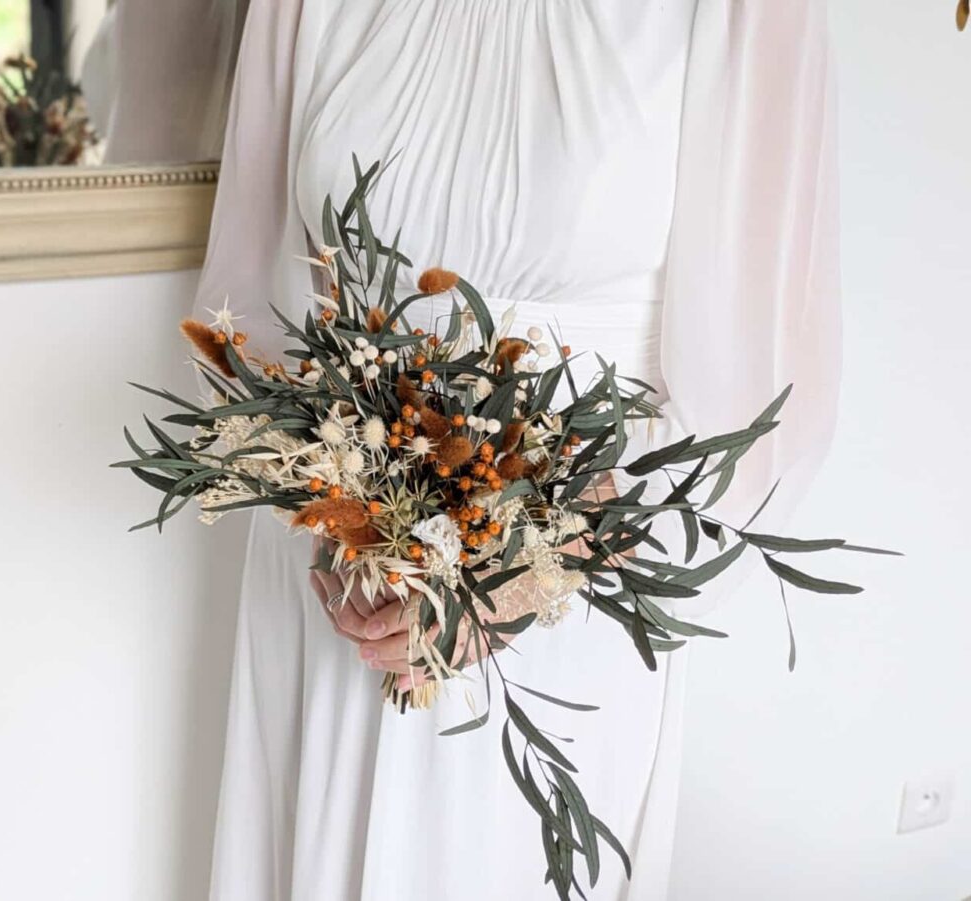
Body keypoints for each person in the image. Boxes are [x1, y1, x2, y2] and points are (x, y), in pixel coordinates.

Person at [188, 2, 842, 898]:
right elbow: (244, 303)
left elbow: (765, 383)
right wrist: (332, 501)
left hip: (562, 608)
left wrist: (523, 573)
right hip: (336, 581)